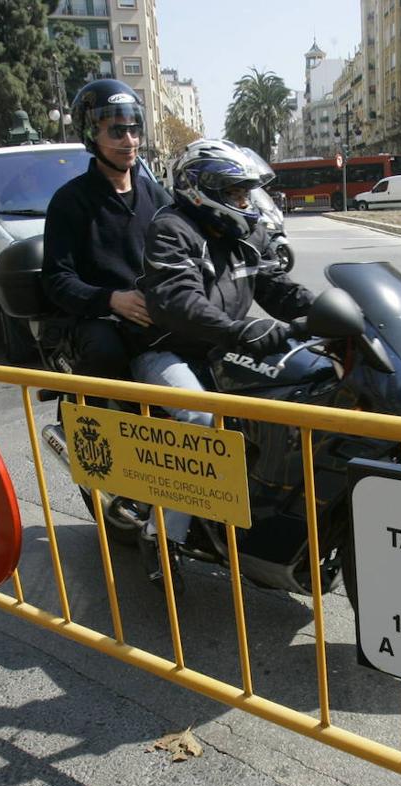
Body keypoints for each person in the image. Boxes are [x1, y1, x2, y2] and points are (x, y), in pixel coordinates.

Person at [133, 138, 316, 586]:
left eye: (246, 193)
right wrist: (240, 331)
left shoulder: (246, 233)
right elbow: (178, 302)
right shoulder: (172, 228)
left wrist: (328, 313)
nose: (244, 201)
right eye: (235, 193)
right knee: (201, 418)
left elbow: (275, 286)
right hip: (168, 349)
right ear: (202, 189)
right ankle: (163, 536)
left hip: (221, 347)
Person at [41, 79, 170, 378]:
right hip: (101, 318)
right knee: (105, 353)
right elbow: (57, 279)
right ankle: (89, 421)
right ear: (91, 134)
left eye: (134, 128)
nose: (129, 140)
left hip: (154, 311)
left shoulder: (156, 195)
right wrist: (111, 299)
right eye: (116, 130)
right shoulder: (69, 201)